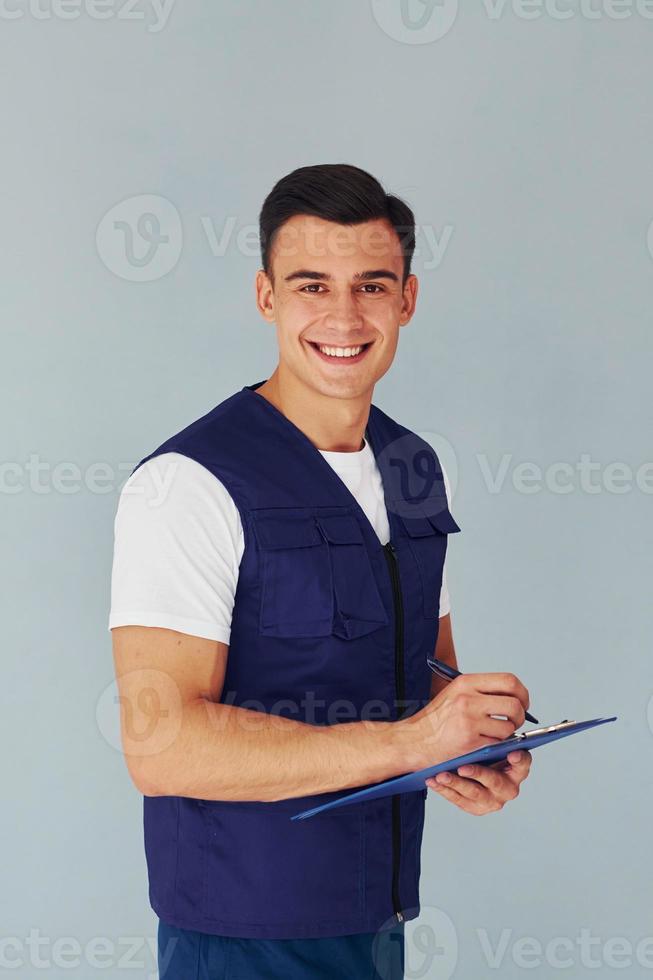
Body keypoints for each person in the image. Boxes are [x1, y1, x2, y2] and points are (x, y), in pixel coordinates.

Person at [109, 163, 533, 980]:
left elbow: (427, 680)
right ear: (265, 296)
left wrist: (471, 741)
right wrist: (412, 742)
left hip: (375, 914)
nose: (344, 315)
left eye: (371, 285)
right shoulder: (187, 483)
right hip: (244, 933)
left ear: (407, 299)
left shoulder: (411, 464)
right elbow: (160, 745)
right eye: (311, 285)